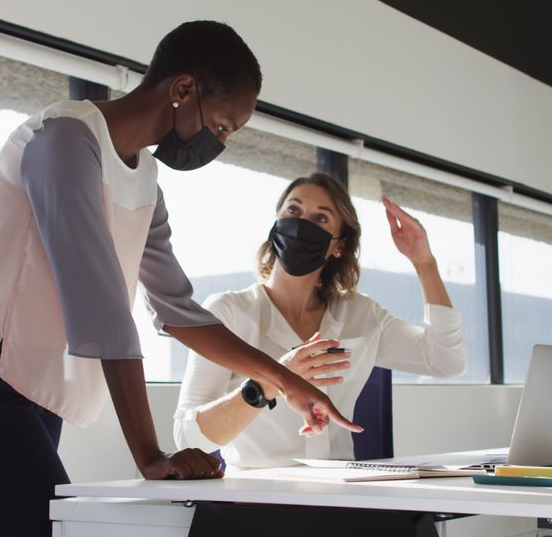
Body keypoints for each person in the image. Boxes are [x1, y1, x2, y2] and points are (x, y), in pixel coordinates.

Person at [0, 22, 358, 537]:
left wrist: (287, 382)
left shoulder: (146, 182)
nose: (219, 142)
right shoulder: (64, 141)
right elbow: (98, 309)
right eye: (221, 125)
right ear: (183, 89)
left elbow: (179, 312)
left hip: (32, 384)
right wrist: (149, 455)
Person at [174, 172, 466, 468]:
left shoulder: (360, 315)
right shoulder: (229, 312)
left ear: (338, 245)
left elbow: (445, 360)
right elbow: (188, 439)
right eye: (293, 211)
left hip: (340, 494)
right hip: (258, 497)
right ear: (276, 224)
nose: (302, 225)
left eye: (321, 219)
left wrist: (425, 263)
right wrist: (273, 381)